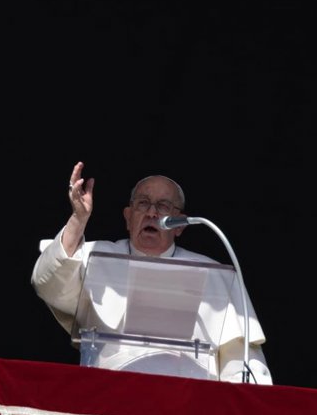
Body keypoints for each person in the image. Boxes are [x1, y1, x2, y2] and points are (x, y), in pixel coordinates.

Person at [31, 162, 272, 384]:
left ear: (180, 225)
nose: (152, 213)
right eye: (143, 203)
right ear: (128, 217)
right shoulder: (95, 256)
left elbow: (241, 358)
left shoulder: (217, 275)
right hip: (111, 392)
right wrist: (78, 219)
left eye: (163, 206)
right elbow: (47, 281)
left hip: (192, 400)